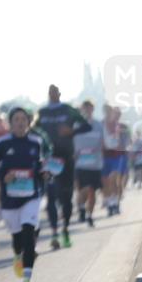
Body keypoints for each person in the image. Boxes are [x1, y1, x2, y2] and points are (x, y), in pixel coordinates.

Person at [0, 107, 51, 282]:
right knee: (17, 239)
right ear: (10, 123)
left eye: (24, 119)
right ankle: (17, 256)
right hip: (10, 199)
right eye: (16, 119)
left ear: (29, 122)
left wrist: (45, 173)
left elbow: (39, 165)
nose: (21, 122)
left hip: (31, 195)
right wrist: (3, 176)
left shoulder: (36, 142)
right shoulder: (3, 143)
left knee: (29, 234)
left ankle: (27, 281)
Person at [34, 85, 90, 249]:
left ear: (59, 94)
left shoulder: (68, 110)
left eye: (55, 91)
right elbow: (32, 128)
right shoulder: (42, 112)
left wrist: (71, 132)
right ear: (47, 94)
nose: (52, 94)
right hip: (49, 159)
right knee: (51, 196)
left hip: (67, 158)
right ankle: (54, 233)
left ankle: (65, 228)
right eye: (49, 92)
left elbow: (86, 126)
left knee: (66, 197)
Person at [73, 100, 105, 228]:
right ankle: (81, 207)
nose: (87, 110)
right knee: (83, 190)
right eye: (84, 108)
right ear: (82, 110)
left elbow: (103, 142)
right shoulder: (75, 125)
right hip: (80, 164)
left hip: (95, 164)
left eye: (89, 108)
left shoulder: (98, 125)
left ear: (93, 109)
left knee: (93, 191)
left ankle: (90, 215)